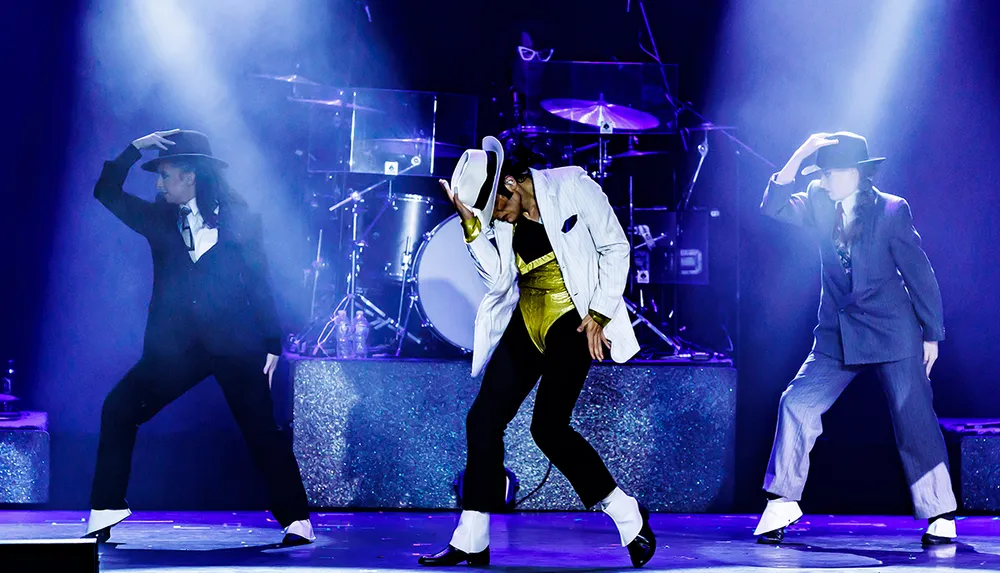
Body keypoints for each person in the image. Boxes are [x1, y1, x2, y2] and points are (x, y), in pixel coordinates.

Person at [418, 138, 655, 568]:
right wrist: (471, 224)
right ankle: (472, 536)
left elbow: (615, 247)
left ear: (510, 183)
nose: (497, 218)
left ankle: (626, 512)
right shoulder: (500, 219)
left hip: (576, 315)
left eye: (497, 208)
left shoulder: (572, 184)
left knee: (548, 428)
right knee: (483, 418)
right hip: (528, 318)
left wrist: (600, 314)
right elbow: (497, 275)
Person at [84, 129, 315, 546]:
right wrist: (135, 149)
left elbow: (258, 281)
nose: (158, 183)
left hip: (234, 343)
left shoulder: (241, 219)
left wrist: (271, 343)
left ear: (190, 176)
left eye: (165, 174)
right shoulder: (157, 219)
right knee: (119, 407)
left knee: (261, 429)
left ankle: (297, 519)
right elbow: (105, 191)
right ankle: (105, 508)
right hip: (175, 348)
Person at [754, 132, 957, 546]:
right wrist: (802, 152)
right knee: (797, 402)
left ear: (852, 175)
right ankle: (782, 500)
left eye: (828, 174)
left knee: (913, 417)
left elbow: (919, 273)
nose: (824, 181)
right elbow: (773, 205)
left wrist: (932, 334)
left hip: (891, 330)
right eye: (821, 174)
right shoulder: (817, 200)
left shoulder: (891, 211)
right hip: (837, 334)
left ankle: (940, 513)